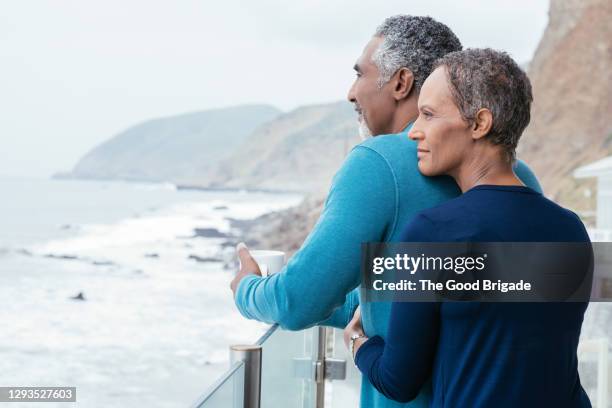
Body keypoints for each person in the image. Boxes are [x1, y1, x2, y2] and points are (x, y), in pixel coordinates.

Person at [231, 16, 541, 408]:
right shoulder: (522, 179)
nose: (350, 92)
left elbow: (296, 302)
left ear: (400, 83)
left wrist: (247, 289)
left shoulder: (378, 163)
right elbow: (452, 295)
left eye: (360, 74)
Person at [345, 48, 592, 407]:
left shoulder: (435, 233)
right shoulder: (571, 229)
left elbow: (398, 380)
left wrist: (358, 343)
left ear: (479, 124)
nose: (415, 132)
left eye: (428, 115)